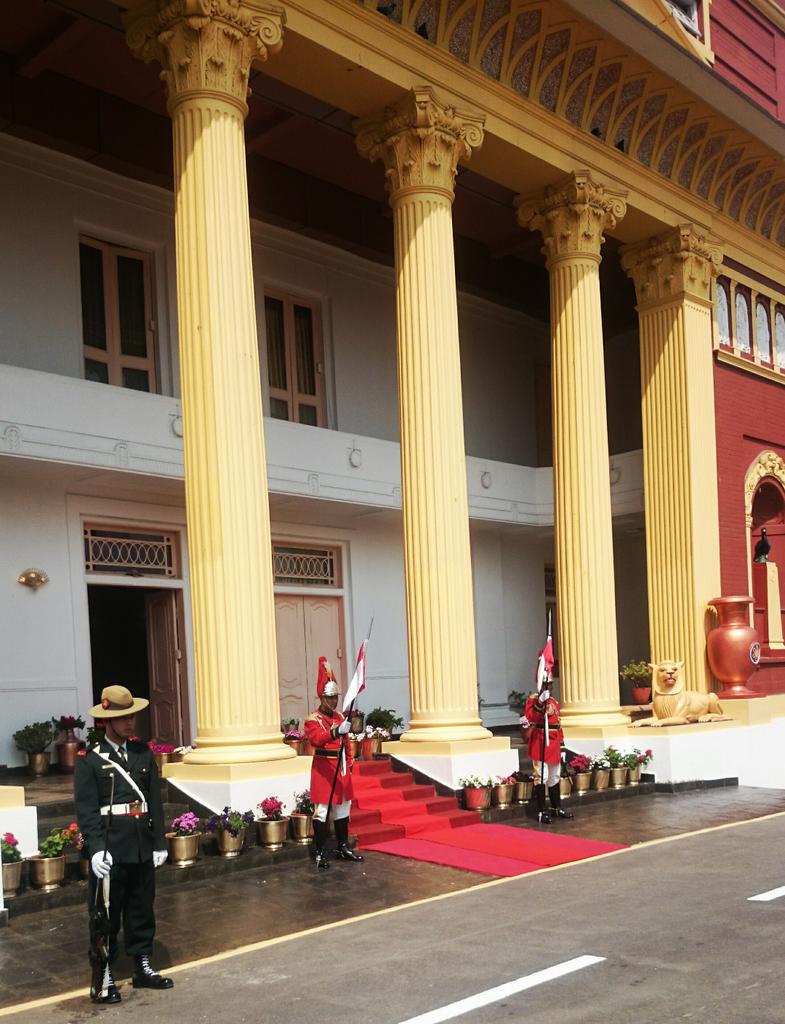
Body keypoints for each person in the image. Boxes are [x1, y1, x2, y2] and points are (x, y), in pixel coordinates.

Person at [74, 685, 173, 1004]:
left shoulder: (143, 752)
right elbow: (88, 811)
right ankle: (103, 974)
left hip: (141, 844)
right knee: (106, 913)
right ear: (106, 721)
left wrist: (159, 841)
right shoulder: (90, 760)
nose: (130, 722)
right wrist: (95, 848)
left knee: (141, 907)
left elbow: (154, 801)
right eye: (123, 717)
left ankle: (142, 965)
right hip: (111, 847)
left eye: (132, 716)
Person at [303, 657, 363, 869]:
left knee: (343, 809)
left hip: (341, 767)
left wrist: (350, 761)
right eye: (330, 698)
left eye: (335, 697)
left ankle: (343, 847)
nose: (334, 701)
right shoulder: (313, 719)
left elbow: (346, 743)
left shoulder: (338, 717)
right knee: (322, 811)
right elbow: (317, 739)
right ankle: (320, 852)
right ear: (322, 697)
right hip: (324, 769)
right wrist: (336, 731)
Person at [524, 686, 574, 825]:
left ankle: (556, 808)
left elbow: (558, 725)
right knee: (542, 777)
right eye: (547, 684)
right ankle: (541, 811)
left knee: (555, 776)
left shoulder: (553, 701)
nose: (549, 686)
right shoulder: (533, 700)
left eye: (550, 684)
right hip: (540, 742)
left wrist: (562, 747)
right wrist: (540, 702)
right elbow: (532, 717)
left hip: (554, 743)